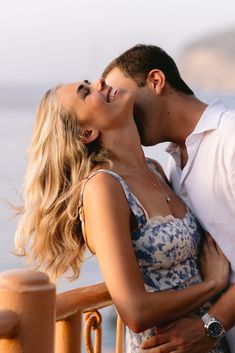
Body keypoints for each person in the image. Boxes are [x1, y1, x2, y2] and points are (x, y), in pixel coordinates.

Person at [15, 78, 229, 353]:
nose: (100, 82)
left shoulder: (155, 170)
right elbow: (135, 311)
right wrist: (212, 284)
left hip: (209, 342)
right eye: (86, 91)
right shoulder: (103, 188)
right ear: (87, 133)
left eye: (90, 82)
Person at [102, 44, 235, 353]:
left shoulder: (229, 140)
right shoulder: (171, 168)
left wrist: (209, 326)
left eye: (120, 96)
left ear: (156, 81)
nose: (121, 110)